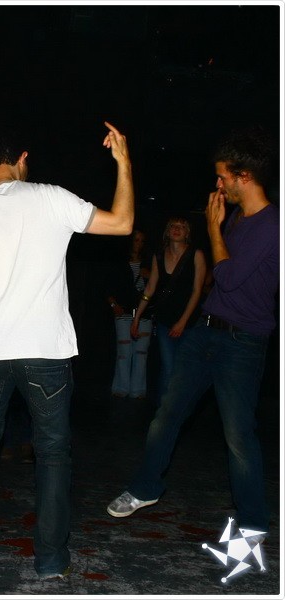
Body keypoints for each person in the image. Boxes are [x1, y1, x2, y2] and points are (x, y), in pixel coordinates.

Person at [0, 121, 134, 581]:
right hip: (46, 351)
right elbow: (123, 223)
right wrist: (123, 163)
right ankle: (50, 560)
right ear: (23, 159)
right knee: (53, 455)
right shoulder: (51, 198)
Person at [107, 126, 279, 540]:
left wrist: (214, 228)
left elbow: (229, 277)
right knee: (166, 415)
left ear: (243, 176)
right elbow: (220, 277)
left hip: (242, 342)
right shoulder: (237, 217)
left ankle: (253, 524)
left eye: (222, 176)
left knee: (238, 436)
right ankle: (145, 487)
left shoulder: (273, 224)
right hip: (206, 332)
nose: (218, 184)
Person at [131, 217, 206, 404]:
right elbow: (150, 288)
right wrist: (137, 317)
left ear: (187, 233)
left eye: (182, 226)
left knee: (186, 368)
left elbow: (197, 291)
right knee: (168, 366)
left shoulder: (196, 255)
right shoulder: (159, 256)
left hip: (190, 322)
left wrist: (182, 321)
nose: (177, 229)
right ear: (167, 231)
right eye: (173, 226)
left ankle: (180, 408)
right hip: (165, 319)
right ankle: (163, 411)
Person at [105, 229, 152, 399]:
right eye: (136, 240)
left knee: (141, 353)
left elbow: (159, 287)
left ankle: (138, 390)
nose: (138, 244)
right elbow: (106, 285)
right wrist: (113, 304)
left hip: (144, 313)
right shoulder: (119, 262)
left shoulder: (150, 263)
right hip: (123, 311)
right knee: (124, 351)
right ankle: (121, 388)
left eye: (141, 240)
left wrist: (150, 276)